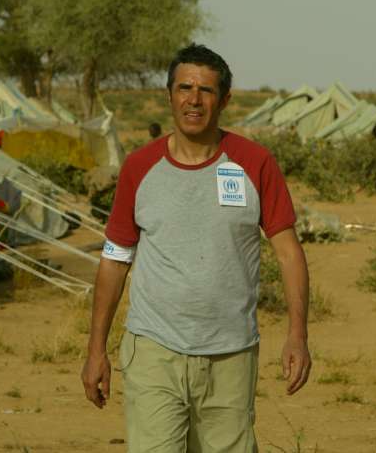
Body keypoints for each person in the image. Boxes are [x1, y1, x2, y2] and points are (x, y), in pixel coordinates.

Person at [81, 44, 311, 452]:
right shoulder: (140, 167)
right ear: (169, 94)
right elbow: (115, 261)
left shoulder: (254, 163)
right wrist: (96, 349)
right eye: (184, 87)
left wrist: (297, 335)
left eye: (206, 90)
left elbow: (289, 253)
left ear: (224, 100)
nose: (194, 99)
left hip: (231, 355)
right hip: (154, 350)